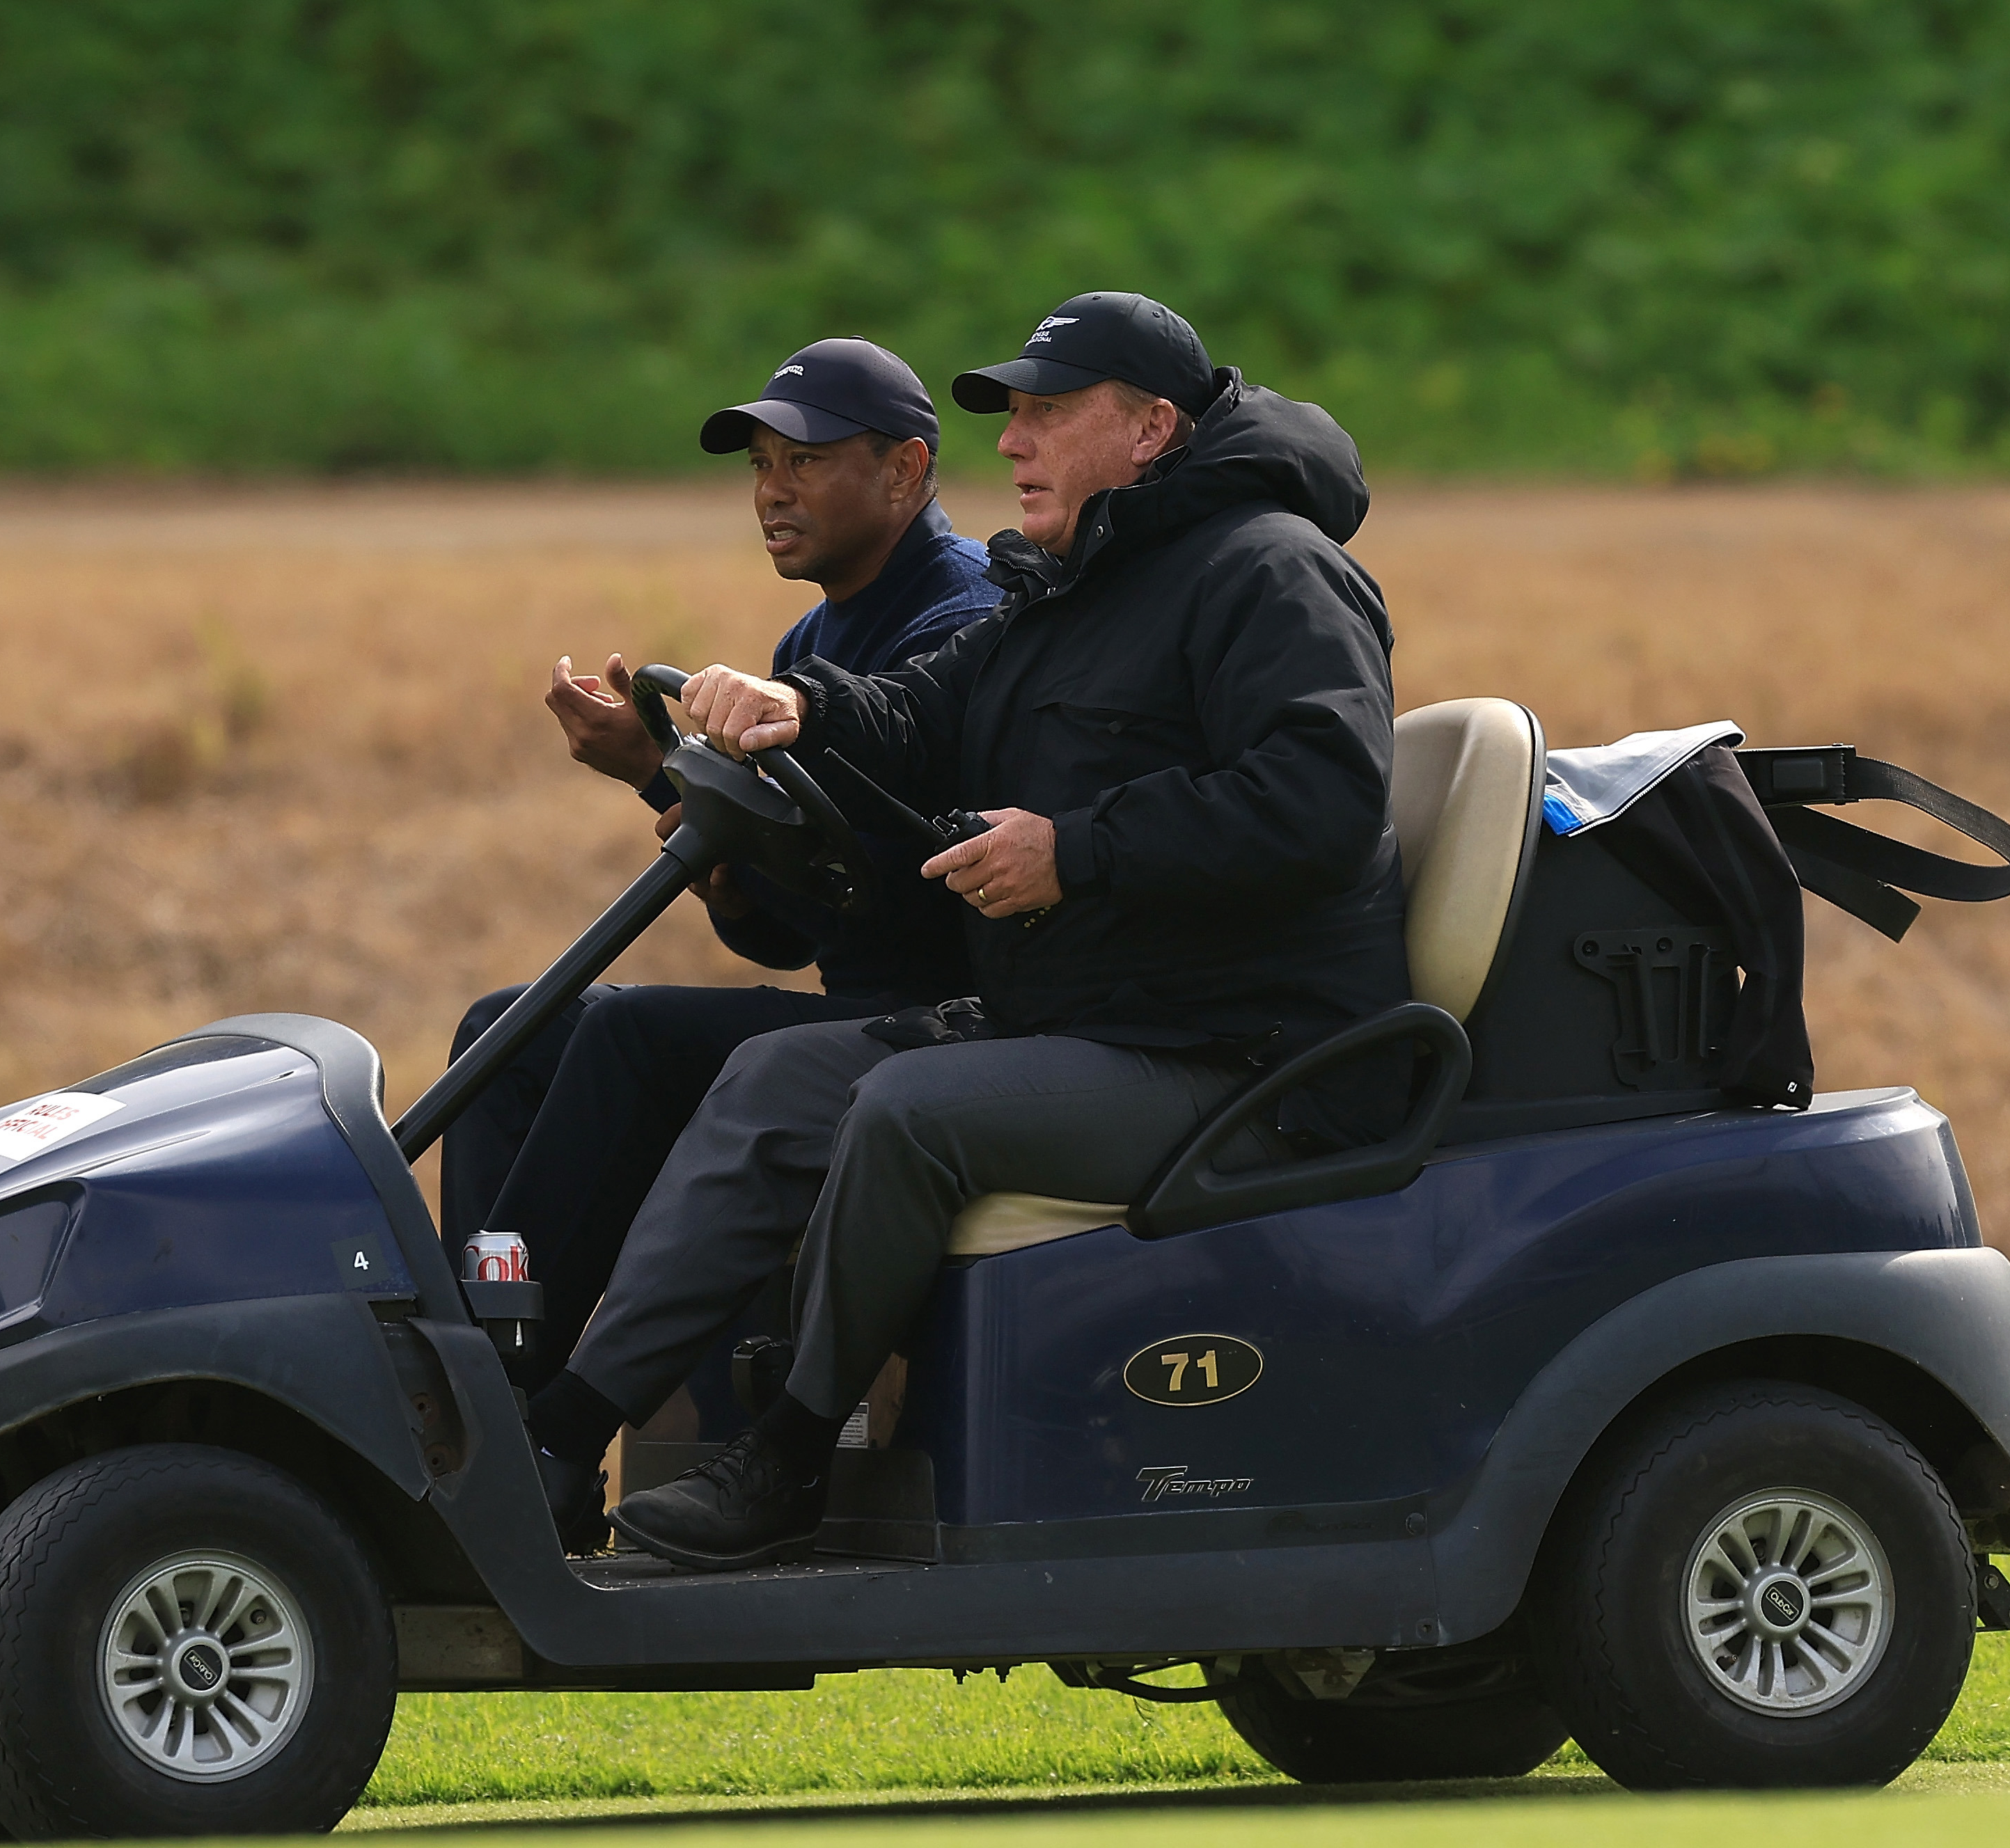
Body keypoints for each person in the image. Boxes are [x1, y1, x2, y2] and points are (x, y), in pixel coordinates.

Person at [519, 292, 1415, 1568]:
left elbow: (1320, 802)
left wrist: (1076, 851)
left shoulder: (1272, 570)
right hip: (1097, 1025)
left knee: (911, 1109)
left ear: (1151, 428)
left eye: (1048, 414)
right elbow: (916, 709)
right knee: (779, 1077)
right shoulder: (1073, 586)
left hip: (1245, 1056)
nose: (1013, 443)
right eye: (1013, 417)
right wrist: (794, 702)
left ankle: (786, 1456)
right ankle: (553, 1438)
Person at [439, 340, 997, 1544]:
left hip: (949, 1022)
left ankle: (527, 1430)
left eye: (804, 462)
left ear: (905, 471)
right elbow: (786, 936)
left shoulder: (964, 623)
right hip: (854, 1005)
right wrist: (665, 787)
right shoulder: (811, 645)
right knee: (505, 1029)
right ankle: (485, 1361)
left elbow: (920, 892)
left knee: (631, 1038)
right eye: (758, 465)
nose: (770, 494)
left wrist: (691, 805)